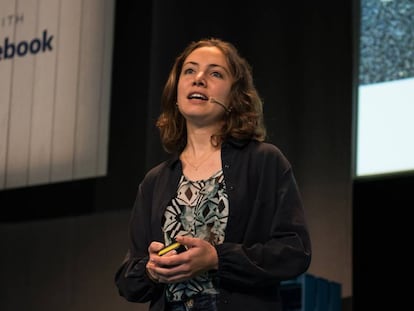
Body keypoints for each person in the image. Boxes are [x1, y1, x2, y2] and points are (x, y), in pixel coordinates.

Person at [114, 37, 312, 311]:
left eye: (215, 73)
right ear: (176, 91)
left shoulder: (264, 161)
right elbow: (128, 281)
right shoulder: (154, 182)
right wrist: (151, 270)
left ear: (235, 96)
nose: (199, 79)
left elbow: (294, 253)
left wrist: (217, 258)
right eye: (190, 71)